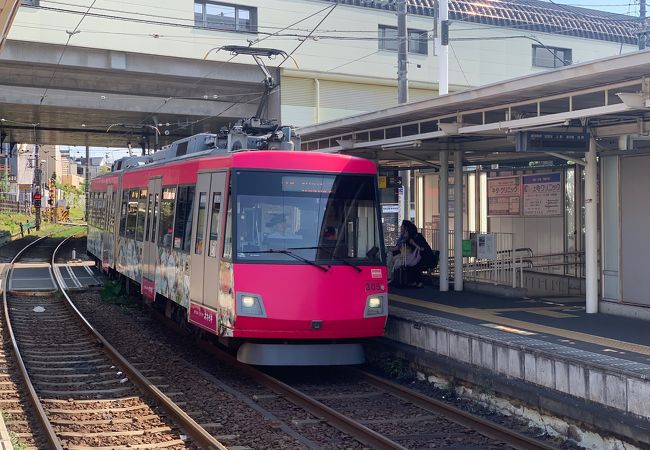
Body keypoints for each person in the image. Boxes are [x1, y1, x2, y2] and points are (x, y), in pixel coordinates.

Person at [402, 221, 437, 288]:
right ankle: (414, 281)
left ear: (407, 228)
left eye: (402, 227)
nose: (401, 228)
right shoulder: (410, 237)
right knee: (411, 263)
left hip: (427, 257)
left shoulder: (418, 236)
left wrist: (413, 243)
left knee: (416, 264)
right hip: (419, 256)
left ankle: (419, 282)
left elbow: (422, 248)